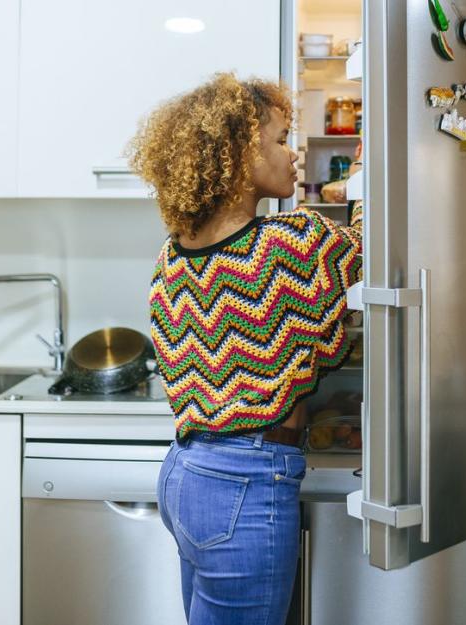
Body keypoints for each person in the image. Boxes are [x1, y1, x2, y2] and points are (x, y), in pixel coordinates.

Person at [128, 73, 362, 625]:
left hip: (186, 472)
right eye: (281, 140)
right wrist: (363, 175)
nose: (295, 155)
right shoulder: (286, 245)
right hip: (247, 484)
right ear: (237, 154)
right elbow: (371, 245)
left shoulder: (172, 256)